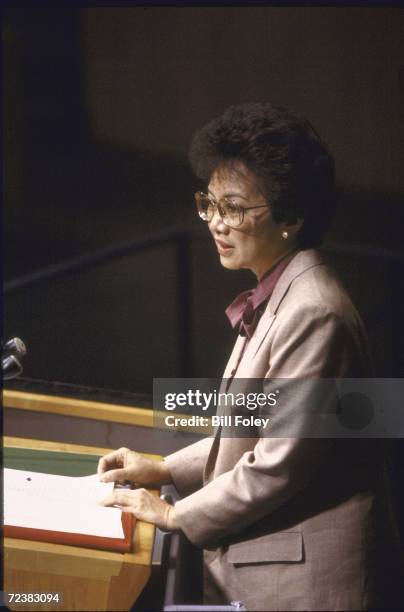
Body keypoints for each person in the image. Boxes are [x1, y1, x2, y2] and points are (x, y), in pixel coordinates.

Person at [98, 103, 403, 611]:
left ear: (291, 216)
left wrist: (175, 514)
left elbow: (277, 464)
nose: (216, 223)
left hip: (311, 587)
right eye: (209, 203)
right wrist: (163, 468)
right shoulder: (280, 290)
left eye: (234, 208)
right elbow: (247, 427)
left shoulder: (315, 312)